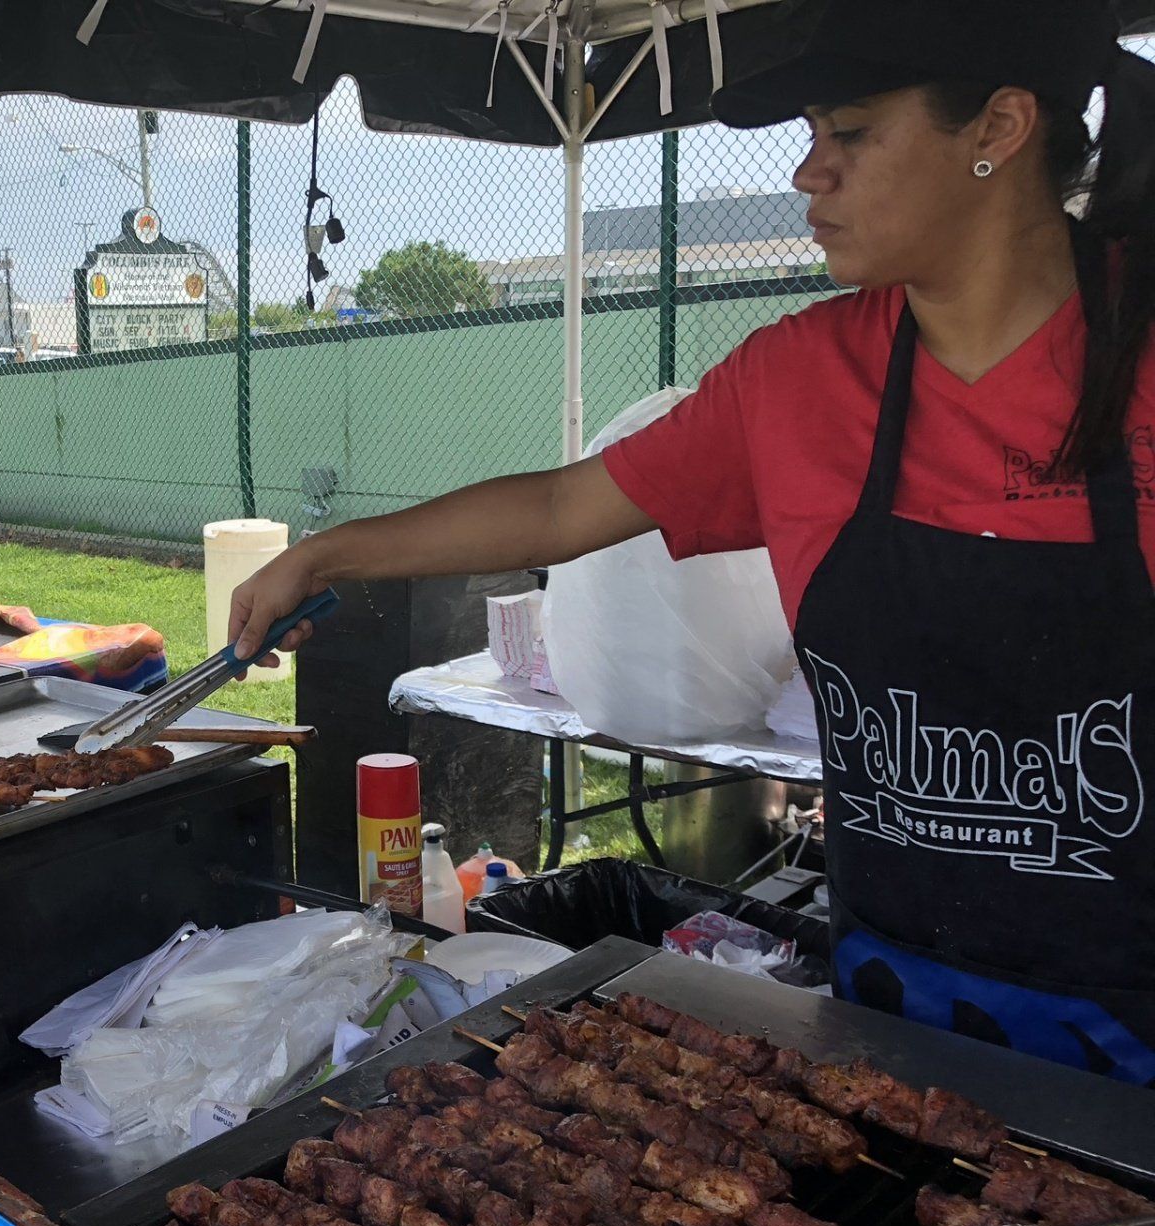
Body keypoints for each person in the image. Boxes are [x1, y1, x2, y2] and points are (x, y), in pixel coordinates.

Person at [229, 0, 1155, 1081]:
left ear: (999, 128)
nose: (810, 173)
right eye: (811, 137)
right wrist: (325, 553)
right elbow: (563, 511)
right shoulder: (800, 378)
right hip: (897, 1003)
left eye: (849, 133)